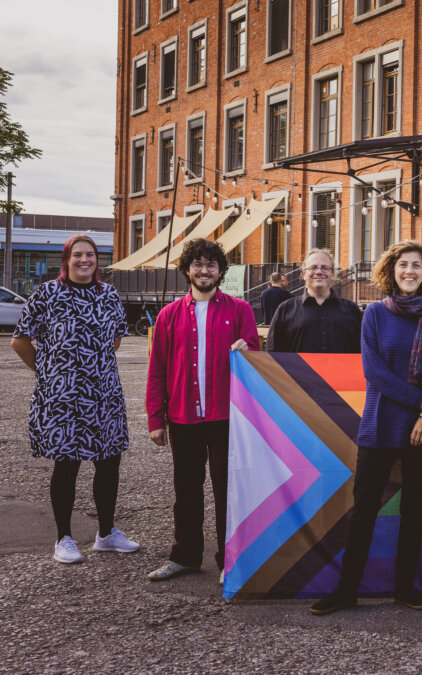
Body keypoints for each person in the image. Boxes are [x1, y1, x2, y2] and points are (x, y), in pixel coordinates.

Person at [310, 241, 422, 616]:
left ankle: (405, 588)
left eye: (417, 267)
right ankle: (347, 590)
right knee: (363, 511)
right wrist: (419, 400)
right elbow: (373, 372)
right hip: (381, 424)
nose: (410, 272)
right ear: (391, 271)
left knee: (413, 510)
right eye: (403, 265)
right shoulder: (374, 313)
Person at [10, 235, 140, 564]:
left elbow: (115, 341)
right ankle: (63, 537)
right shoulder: (47, 294)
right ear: (66, 259)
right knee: (66, 464)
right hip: (61, 397)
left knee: (109, 463)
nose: (85, 260)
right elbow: (20, 340)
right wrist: (47, 371)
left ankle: (107, 534)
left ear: (97, 260)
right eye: (78, 255)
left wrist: (94, 368)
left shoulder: (108, 295)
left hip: (103, 395)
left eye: (91, 255)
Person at [145, 238, 259, 582]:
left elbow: (255, 358)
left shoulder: (240, 310)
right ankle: (186, 556)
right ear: (187, 270)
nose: (204, 270)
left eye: (211, 264)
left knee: (229, 489)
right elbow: (157, 369)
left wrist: (249, 348)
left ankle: (230, 559)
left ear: (220, 271)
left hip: (228, 417)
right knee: (187, 490)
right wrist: (155, 418)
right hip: (183, 416)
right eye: (197, 264)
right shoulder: (168, 315)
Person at [266, 249, 363, 353]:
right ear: (304, 274)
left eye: (325, 267)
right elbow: (272, 354)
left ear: (333, 274)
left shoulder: (352, 311)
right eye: (313, 267)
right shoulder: (285, 309)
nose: (319, 272)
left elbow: (362, 353)